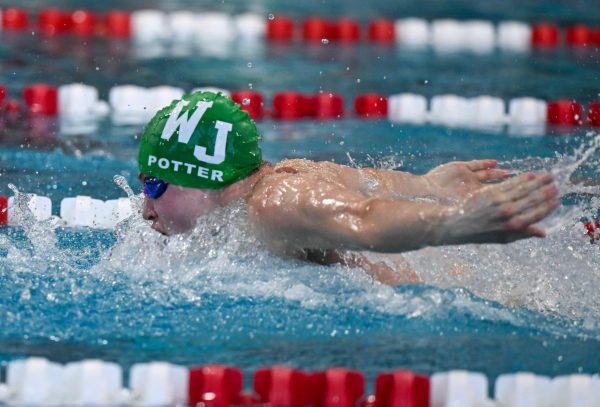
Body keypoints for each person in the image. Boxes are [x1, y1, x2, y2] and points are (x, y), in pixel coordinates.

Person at [138, 92, 560, 284]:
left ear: (206, 181)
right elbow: (372, 184)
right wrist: (428, 184)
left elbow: (367, 218)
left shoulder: (273, 204)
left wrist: (456, 222)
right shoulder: (287, 172)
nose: (145, 209)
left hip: (469, 293)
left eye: (155, 185)